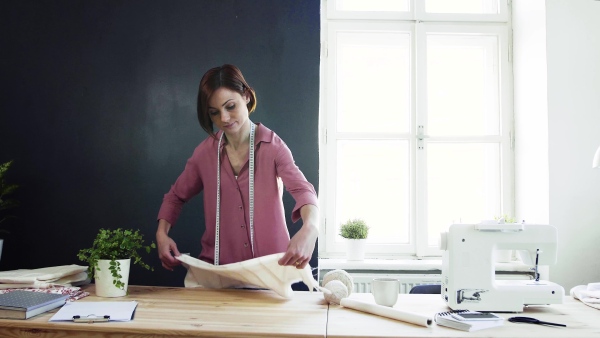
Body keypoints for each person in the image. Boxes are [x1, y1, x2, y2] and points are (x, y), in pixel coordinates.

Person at [156, 64, 319, 275]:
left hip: (272, 273)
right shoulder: (205, 153)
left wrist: (310, 229)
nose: (223, 118)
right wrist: (161, 233)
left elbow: (303, 191)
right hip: (219, 275)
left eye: (230, 106)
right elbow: (175, 196)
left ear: (247, 96)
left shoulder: (273, 147)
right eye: (214, 112)